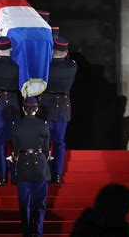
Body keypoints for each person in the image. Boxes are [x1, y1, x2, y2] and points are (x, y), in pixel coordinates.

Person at [38, 37, 77, 184]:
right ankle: (58, 175)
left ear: (52, 51)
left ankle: (45, 172)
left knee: (44, 142)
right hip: (62, 107)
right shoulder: (72, 66)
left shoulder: (45, 66)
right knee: (59, 142)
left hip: (46, 106)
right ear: (66, 52)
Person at [11, 97, 51, 237]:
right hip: (40, 166)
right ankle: (38, 233)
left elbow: (15, 150)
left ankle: (26, 233)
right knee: (40, 204)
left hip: (23, 166)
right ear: (37, 109)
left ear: (23, 109)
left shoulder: (16, 125)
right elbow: (46, 151)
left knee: (24, 204)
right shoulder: (43, 125)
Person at [0, 36, 20, 185]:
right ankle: (14, 175)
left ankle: (1, 177)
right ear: (11, 49)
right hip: (12, 103)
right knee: (14, 142)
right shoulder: (17, 66)